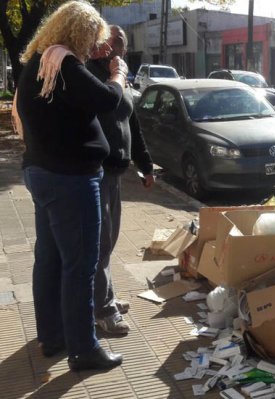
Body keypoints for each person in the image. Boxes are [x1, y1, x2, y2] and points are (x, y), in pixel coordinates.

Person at [17, 1, 128, 371]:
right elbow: (107, 100)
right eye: (93, 39)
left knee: (49, 259)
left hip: (43, 172)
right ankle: (84, 349)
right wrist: (118, 74)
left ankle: (53, 336)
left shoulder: (41, 59)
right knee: (80, 264)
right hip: (71, 179)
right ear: (79, 33)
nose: (94, 47)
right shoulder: (63, 62)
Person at [86, 26, 155, 334]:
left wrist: (146, 164)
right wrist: (114, 74)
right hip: (96, 170)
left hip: (116, 171)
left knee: (110, 241)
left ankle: (105, 295)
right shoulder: (89, 74)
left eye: (123, 49)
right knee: (100, 243)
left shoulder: (120, 76)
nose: (119, 54)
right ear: (101, 46)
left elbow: (133, 124)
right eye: (115, 48)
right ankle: (102, 310)